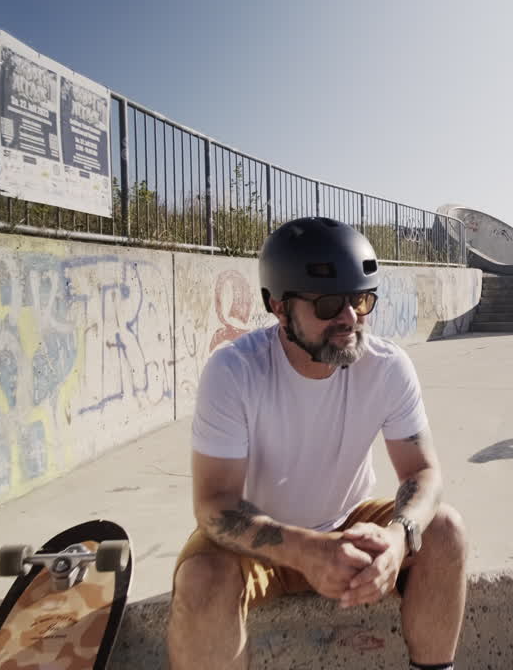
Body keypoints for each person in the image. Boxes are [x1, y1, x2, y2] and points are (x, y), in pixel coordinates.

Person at [166, 217, 467, 670]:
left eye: (361, 300)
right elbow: (214, 505)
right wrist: (305, 550)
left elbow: (422, 473)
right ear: (278, 307)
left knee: (444, 530)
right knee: (202, 579)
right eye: (328, 304)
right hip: (254, 545)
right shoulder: (234, 372)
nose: (349, 319)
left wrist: (398, 538)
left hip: (346, 524)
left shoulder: (387, 367)